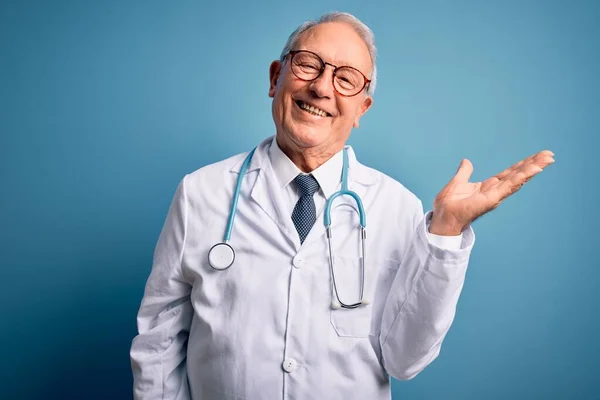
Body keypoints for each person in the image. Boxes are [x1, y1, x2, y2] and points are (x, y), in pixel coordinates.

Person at [130, 11, 554, 400]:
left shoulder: (396, 207)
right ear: (276, 77)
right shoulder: (200, 193)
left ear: (361, 108)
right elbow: (159, 344)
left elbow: (406, 362)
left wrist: (444, 232)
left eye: (346, 79)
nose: (321, 87)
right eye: (308, 64)